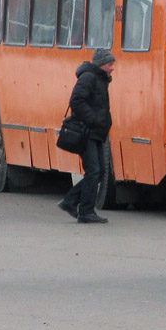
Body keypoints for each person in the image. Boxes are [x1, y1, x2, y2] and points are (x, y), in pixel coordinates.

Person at [57, 49, 115, 224]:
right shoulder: (89, 77)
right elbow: (76, 100)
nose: (112, 68)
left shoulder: (99, 79)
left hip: (96, 133)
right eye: (109, 64)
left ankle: (71, 202)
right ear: (100, 64)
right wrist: (93, 120)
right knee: (94, 171)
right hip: (87, 132)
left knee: (99, 172)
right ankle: (85, 211)